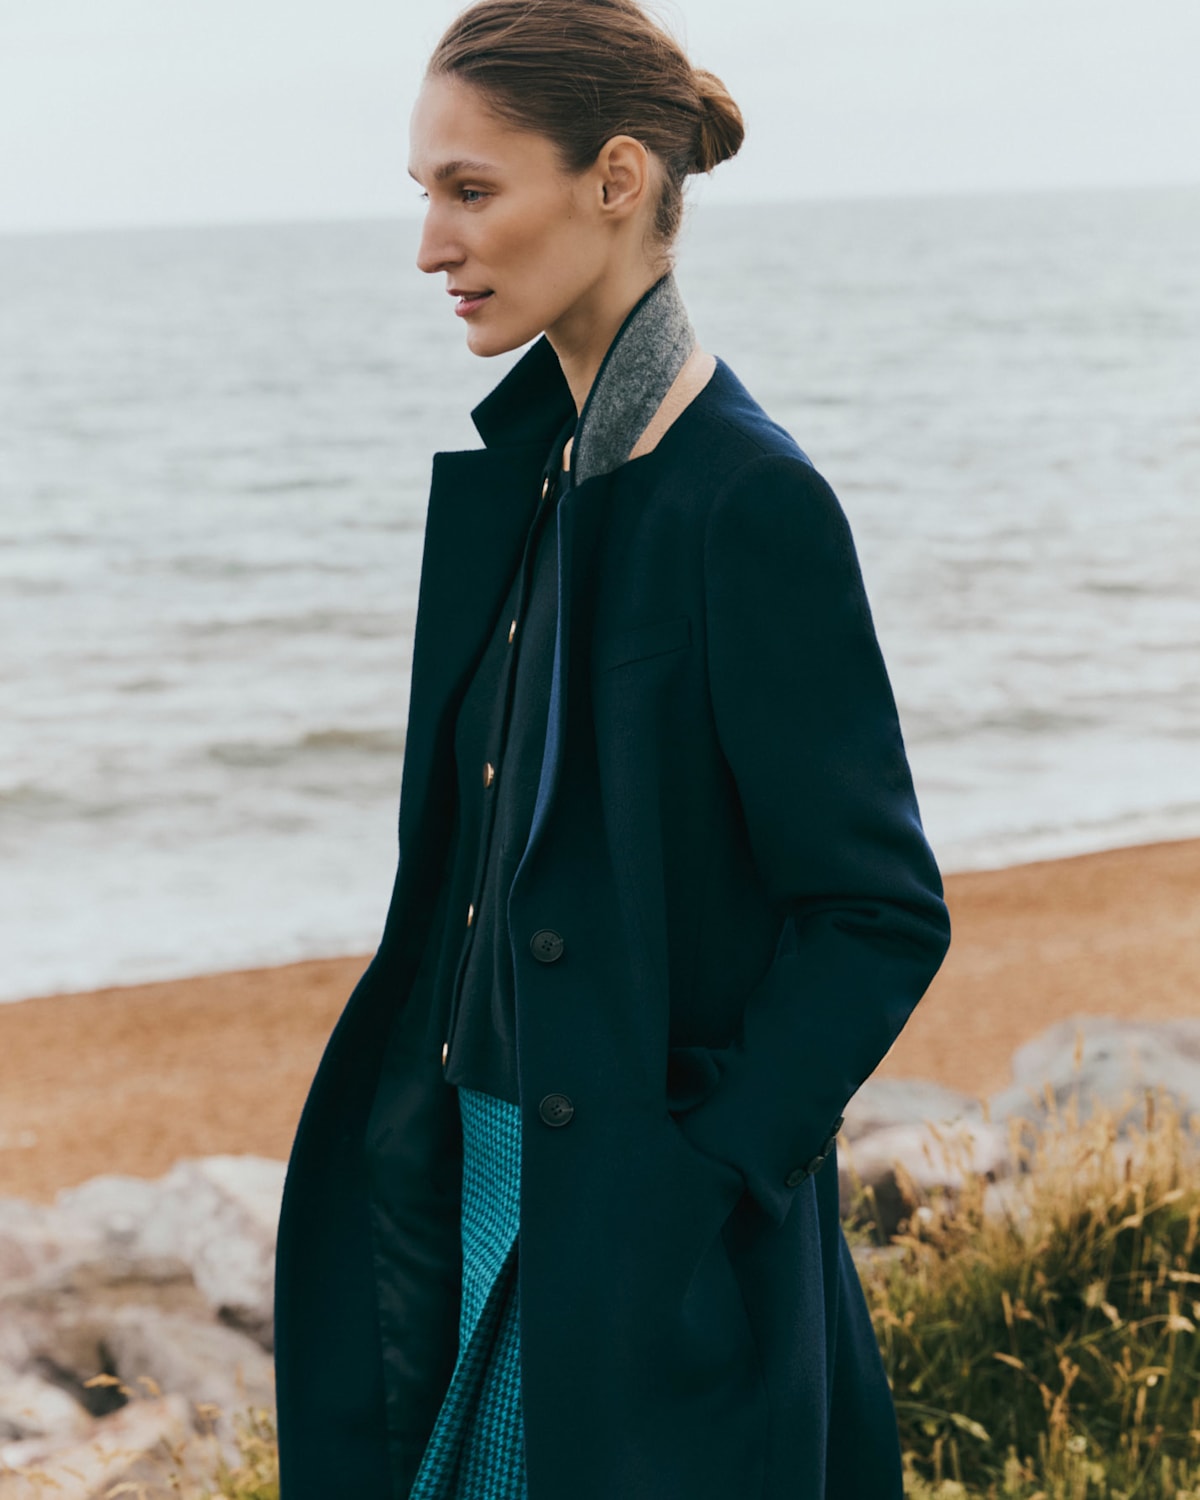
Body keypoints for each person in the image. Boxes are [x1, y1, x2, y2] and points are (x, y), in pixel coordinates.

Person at [272, 1, 951, 1496]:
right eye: (426, 197)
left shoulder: (744, 501)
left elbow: (878, 912)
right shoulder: (546, 474)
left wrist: (697, 1177)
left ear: (617, 179)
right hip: (472, 1178)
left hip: (637, 1234)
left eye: (471, 191)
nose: (432, 247)